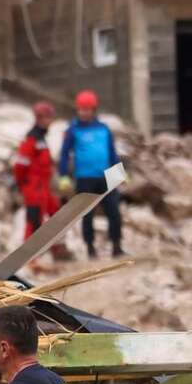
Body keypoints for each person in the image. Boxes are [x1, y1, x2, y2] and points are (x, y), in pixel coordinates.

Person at [57, 90, 122, 258]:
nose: (84, 112)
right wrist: (63, 175)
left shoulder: (104, 129)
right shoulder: (73, 130)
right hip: (85, 178)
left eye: (87, 109)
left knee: (114, 211)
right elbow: (64, 154)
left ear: (94, 109)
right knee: (87, 214)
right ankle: (90, 248)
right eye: (81, 109)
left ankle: (117, 245)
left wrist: (120, 172)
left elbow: (112, 152)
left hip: (107, 176)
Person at [13, 102, 62, 244]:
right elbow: (20, 165)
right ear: (40, 119)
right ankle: (30, 256)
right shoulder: (32, 139)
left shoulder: (42, 138)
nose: (50, 121)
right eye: (48, 118)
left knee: (57, 214)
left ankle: (55, 246)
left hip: (43, 186)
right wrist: (21, 183)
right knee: (34, 220)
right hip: (33, 187)